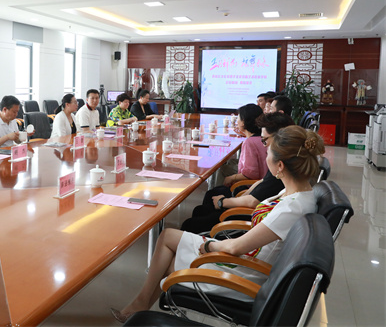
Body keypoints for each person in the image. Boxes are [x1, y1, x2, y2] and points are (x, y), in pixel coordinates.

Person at [111, 126, 323, 322]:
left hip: (244, 275)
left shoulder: (291, 208)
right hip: (249, 259)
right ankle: (140, 307)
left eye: (268, 152)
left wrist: (209, 246)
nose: (265, 155)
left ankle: (140, 308)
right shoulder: (295, 194)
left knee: (167, 257)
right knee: (167, 237)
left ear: (280, 166)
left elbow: (236, 247)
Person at [180, 112, 295, 234]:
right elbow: (262, 182)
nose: (264, 147)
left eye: (264, 141)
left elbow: (254, 201)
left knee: (190, 224)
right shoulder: (285, 162)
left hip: (248, 217)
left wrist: (223, 202)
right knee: (200, 210)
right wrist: (239, 197)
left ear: (280, 138)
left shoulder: (282, 168)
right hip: (250, 209)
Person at [221, 103, 267, 187]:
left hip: (250, 187)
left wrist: (232, 178)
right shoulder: (264, 137)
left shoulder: (249, 143)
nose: (236, 121)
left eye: (238, 117)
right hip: (264, 184)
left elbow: (250, 174)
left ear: (243, 122)